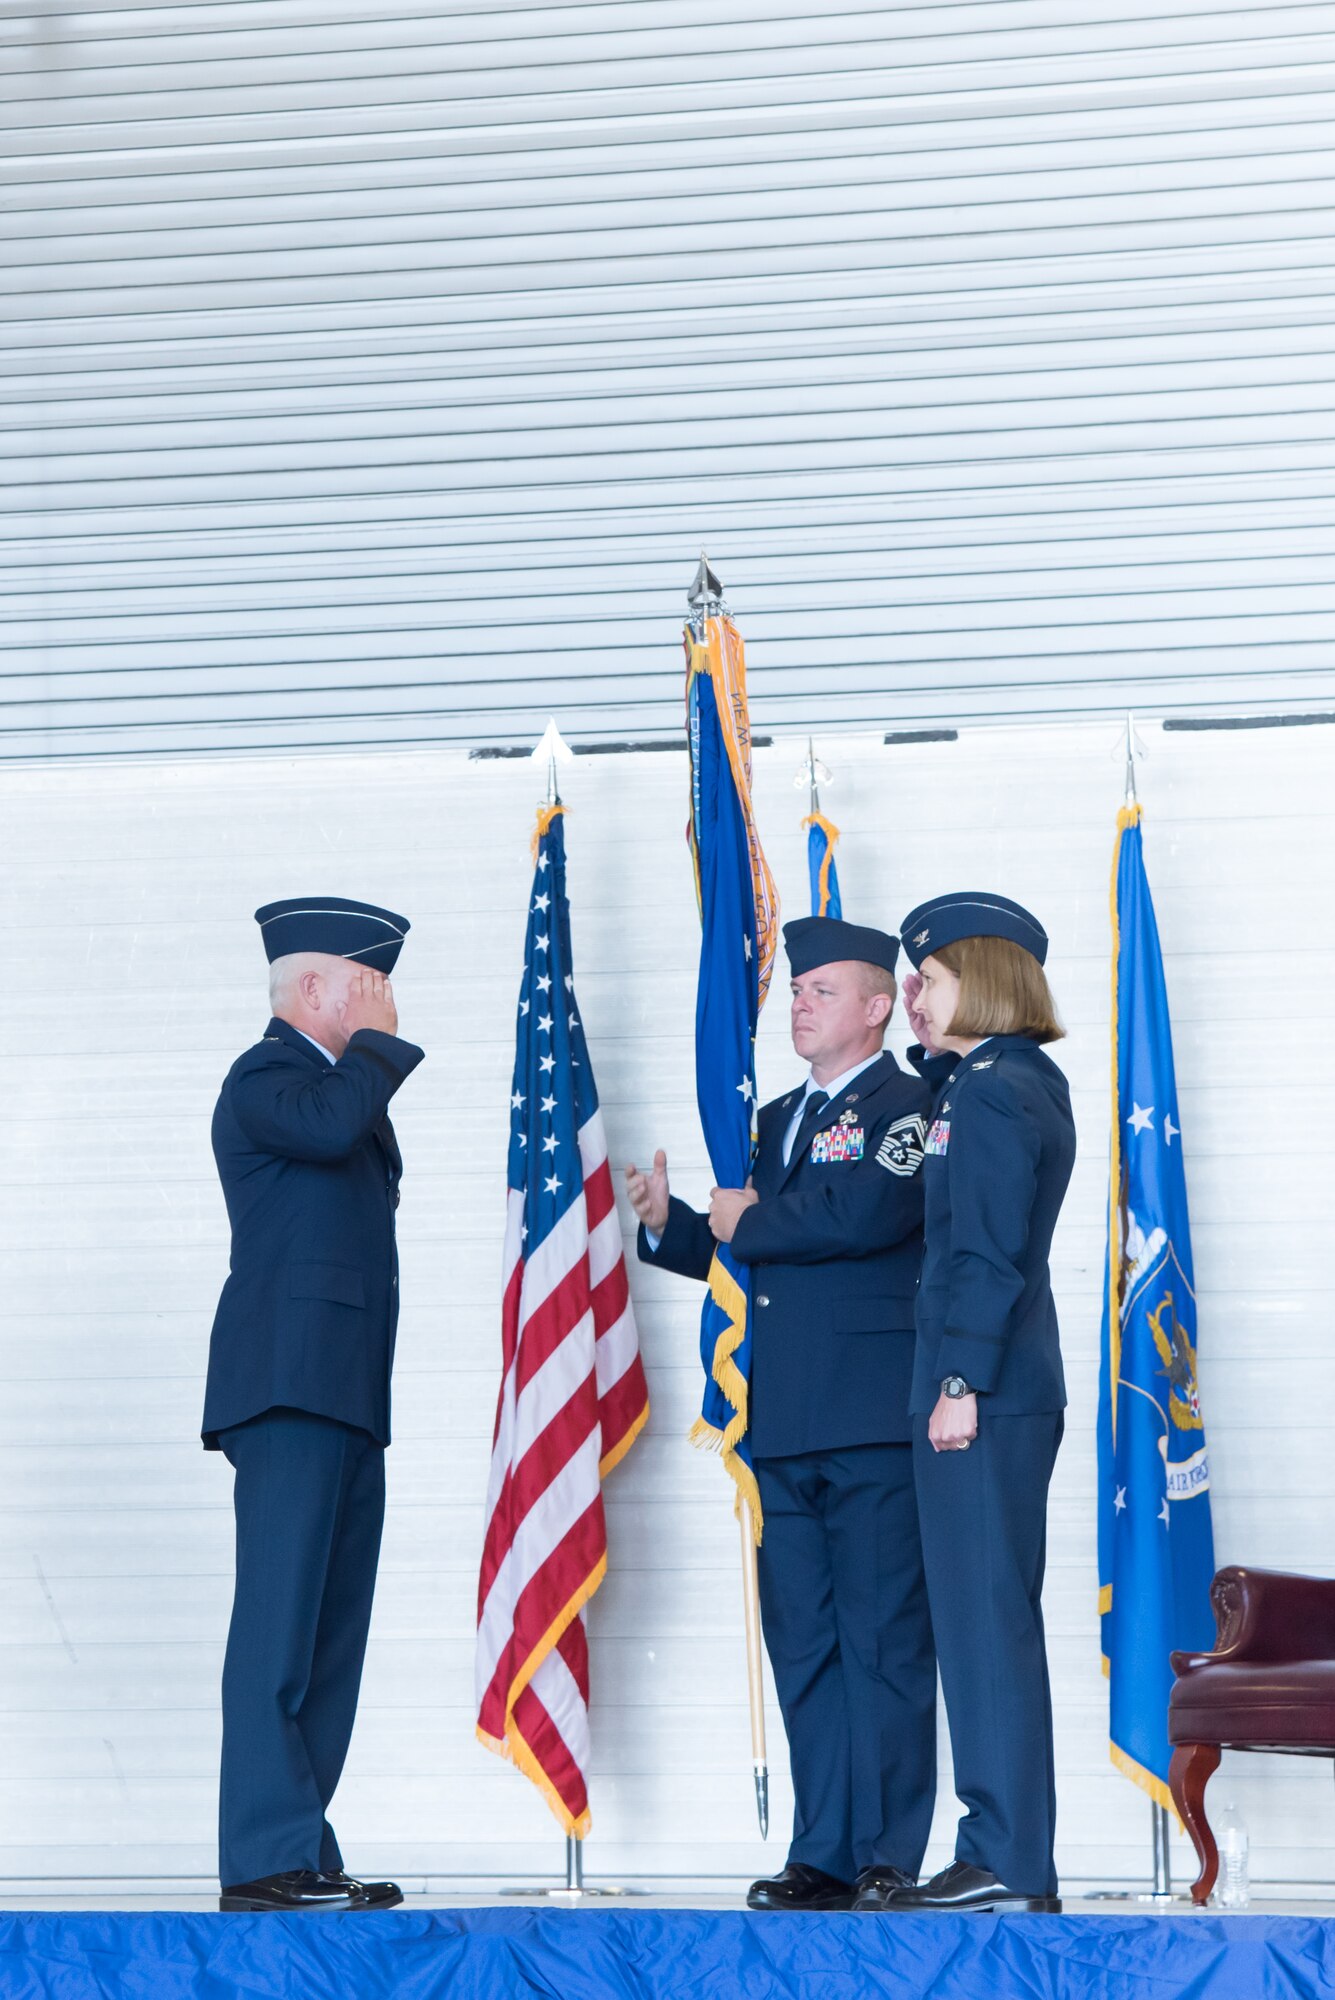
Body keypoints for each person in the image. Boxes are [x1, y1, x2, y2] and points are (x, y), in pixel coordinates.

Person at [626, 917, 936, 1914]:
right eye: (797, 990)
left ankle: (889, 1850)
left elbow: (863, 1216)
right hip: (782, 1421)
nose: (798, 1002)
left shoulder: (907, 1102)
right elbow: (741, 1251)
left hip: (871, 1419)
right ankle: (826, 1851)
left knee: (883, 1641)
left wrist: (743, 1216)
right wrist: (669, 1221)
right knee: (803, 1642)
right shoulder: (771, 1120)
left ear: (877, 1007)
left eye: (822, 990)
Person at [202, 896, 425, 1914]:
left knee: (331, 1635)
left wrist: (368, 1049)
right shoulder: (266, 1077)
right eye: (365, 982)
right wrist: (377, 1046)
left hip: (344, 1391)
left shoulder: (331, 1086)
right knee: (279, 1626)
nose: (382, 999)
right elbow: (335, 1123)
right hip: (288, 1386)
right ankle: (261, 1856)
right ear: (311, 988)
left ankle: (302, 1847)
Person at [881, 891, 1075, 1917]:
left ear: (988, 981)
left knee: (985, 1621)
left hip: (983, 1394)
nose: (914, 999)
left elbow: (989, 1250)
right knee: (980, 1619)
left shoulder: (996, 1092)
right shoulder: (995, 1079)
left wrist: (958, 1379)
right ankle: (1005, 1846)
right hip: (990, 1387)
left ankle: (1003, 1848)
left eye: (931, 980)